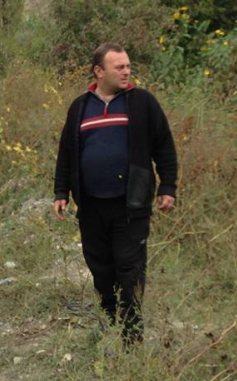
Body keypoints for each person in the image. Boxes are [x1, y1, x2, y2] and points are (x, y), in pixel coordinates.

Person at [53, 42, 178, 343]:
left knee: (130, 269)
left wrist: (168, 186)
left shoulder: (142, 103)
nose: (126, 71)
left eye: (127, 66)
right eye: (119, 67)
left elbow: (164, 145)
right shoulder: (80, 107)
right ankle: (111, 323)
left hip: (130, 205)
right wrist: (61, 192)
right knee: (100, 268)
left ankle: (132, 336)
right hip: (91, 206)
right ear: (99, 71)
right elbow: (67, 152)